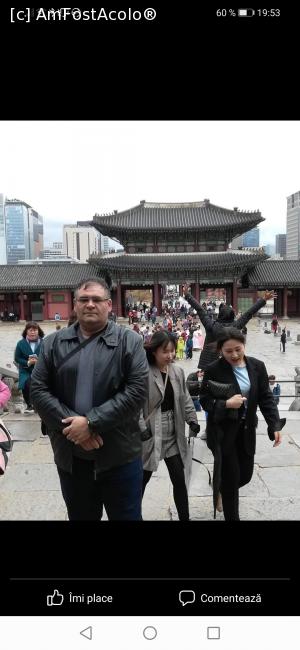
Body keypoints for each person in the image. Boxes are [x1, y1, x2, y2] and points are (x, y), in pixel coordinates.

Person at [30, 277, 149, 521]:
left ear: (109, 305)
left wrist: (91, 423)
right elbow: (38, 390)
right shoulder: (53, 343)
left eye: (97, 299)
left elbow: (137, 391)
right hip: (71, 456)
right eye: (84, 300)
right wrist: (75, 429)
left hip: (120, 454)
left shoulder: (130, 341)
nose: (90, 304)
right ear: (75, 305)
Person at [199, 327, 284, 521]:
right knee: (232, 479)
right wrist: (225, 404)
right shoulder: (213, 369)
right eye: (228, 351)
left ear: (244, 345)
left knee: (245, 475)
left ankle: (220, 487)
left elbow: (266, 398)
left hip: (247, 430)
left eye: (238, 349)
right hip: (223, 432)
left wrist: (275, 424)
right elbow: (204, 399)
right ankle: (227, 499)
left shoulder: (257, 367)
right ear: (220, 350)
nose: (234, 355)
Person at [140, 331, 200, 520]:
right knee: (142, 480)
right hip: (151, 432)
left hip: (173, 430)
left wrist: (192, 419)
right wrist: (141, 428)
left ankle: (185, 517)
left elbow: (185, 398)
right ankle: (130, 514)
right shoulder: (143, 372)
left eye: (172, 351)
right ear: (154, 351)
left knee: (179, 480)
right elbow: (134, 405)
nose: (170, 355)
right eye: (165, 351)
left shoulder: (177, 371)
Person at [183, 284, 276, 371]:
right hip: (229, 361)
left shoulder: (210, 325)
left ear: (220, 315)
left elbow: (200, 309)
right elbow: (249, 313)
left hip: (208, 362)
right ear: (232, 316)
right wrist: (263, 299)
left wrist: (187, 295)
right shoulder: (235, 326)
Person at [14, 321, 45, 414]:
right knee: (26, 383)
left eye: (35, 330)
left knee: (38, 383)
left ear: (38, 331)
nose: (33, 332)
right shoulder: (20, 343)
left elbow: (49, 356)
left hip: (40, 369)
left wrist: (39, 361)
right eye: (30, 330)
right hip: (25, 369)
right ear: (26, 331)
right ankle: (29, 404)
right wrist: (28, 362)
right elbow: (17, 358)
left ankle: (38, 404)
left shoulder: (44, 342)